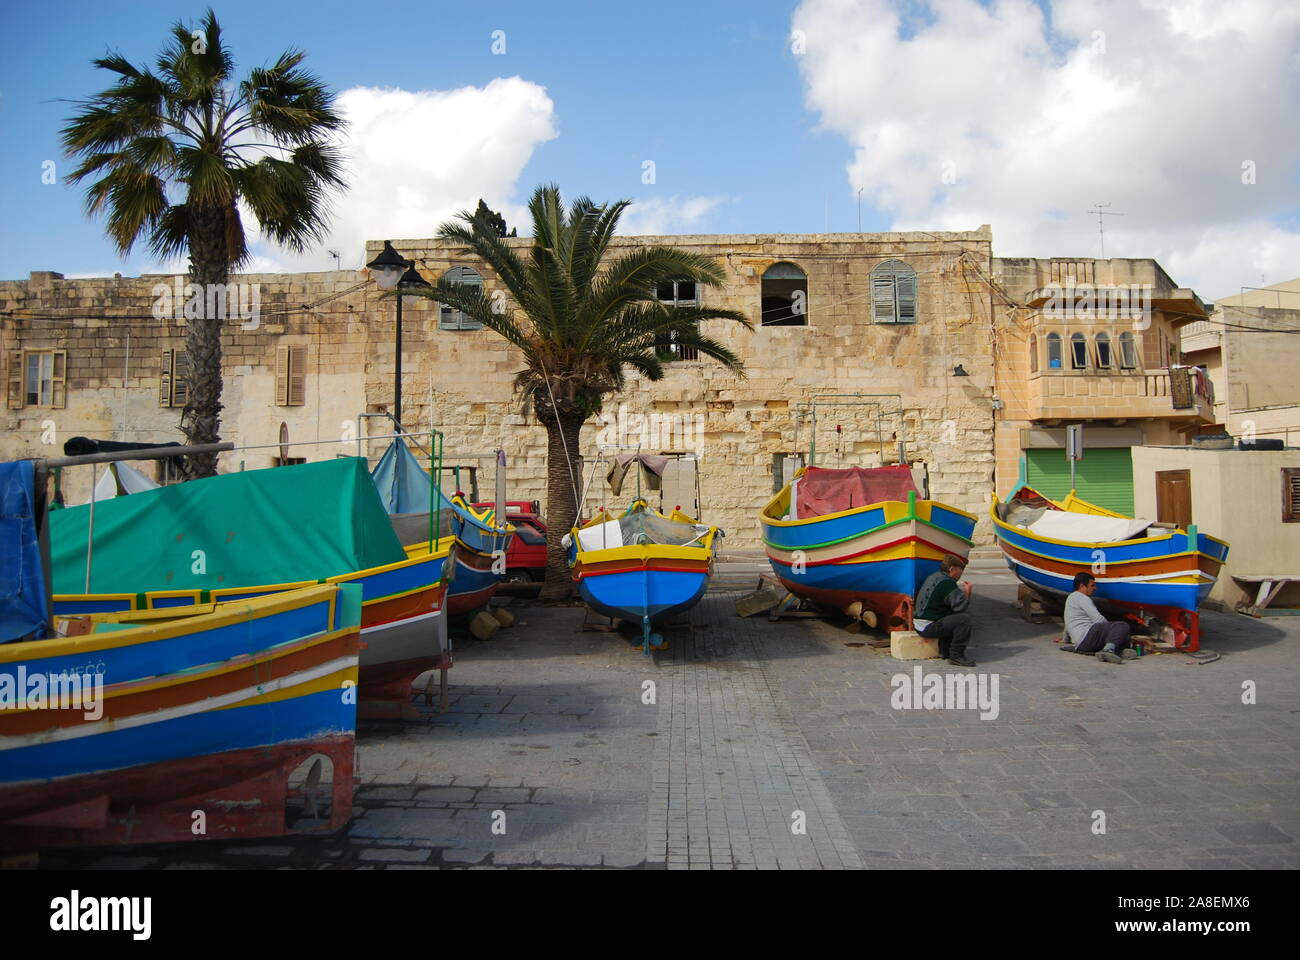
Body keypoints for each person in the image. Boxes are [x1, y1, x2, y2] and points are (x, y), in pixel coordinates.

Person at [914, 554, 975, 667]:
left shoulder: (934, 576)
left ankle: (945, 651)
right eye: (960, 572)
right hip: (928, 627)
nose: (960, 576)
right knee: (964, 620)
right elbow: (960, 606)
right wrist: (967, 592)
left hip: (920, 624)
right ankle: (956, 655)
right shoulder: (947, 582)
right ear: (952, 569)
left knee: (950, 617)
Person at [1063, 571, 1135, 664]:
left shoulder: (1071, 598)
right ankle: (1108, 651)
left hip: (1081, 644)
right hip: (1087, 638)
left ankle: (1118, 651)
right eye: (1092, 585)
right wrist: (1112, 629)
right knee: (1121, 626)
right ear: (1082, 586)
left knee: (1121, 636)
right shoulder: (1083, 598)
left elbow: (1068, 620)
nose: (1095, 588)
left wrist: (1065, 639)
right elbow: (1098, 620)